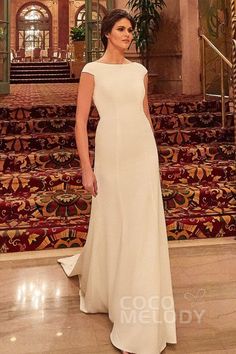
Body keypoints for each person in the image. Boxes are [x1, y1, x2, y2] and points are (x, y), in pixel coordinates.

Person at [58, 8, 177, 354]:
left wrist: (153, 159)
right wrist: (86, 168)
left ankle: (136, 316)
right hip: (110, 153)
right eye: (122, 29)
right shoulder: (91, 71)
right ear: (108, 32)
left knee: (140, 228)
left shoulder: (140, 71)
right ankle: (109, 286)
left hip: (142, 152)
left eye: (130, 29)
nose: (128, 34)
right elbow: (80, 123)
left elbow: (145, 115)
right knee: (115, 222)